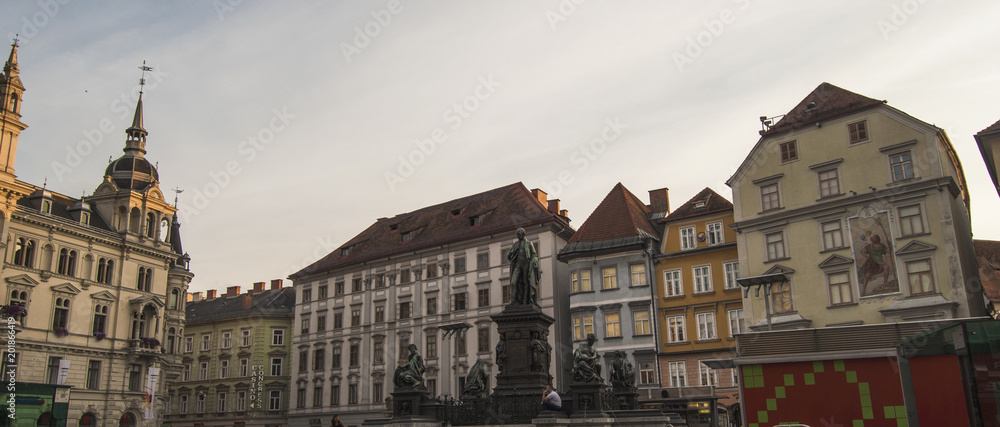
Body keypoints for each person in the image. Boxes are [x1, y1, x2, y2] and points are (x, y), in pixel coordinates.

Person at [507, 228, 541, 305]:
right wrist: (512, 251)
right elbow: (508, 256)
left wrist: (535, 260)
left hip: (526, 264)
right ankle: (513, 301)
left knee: (526, 283)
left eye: (519, 234)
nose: (517, 236)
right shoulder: (515, 244)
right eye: (517, 235)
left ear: (523, 234)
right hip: (517, 265)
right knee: (513, 282)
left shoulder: (529, 244)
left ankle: (525, 301)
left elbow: (534, 254)